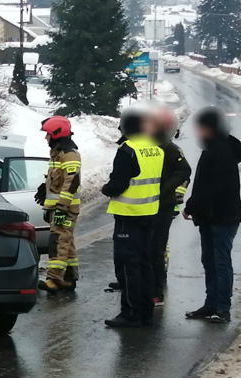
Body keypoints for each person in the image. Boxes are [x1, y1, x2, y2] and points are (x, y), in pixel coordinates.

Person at [101, 105, 164, 328]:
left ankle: (130, 313)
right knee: (145, 265)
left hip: (129, 216)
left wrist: (106, 189)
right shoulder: (156, 148)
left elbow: (119, 183)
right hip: (149, 214)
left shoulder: (128, 150)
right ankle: (146, 311)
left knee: (128, 267)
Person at [182, 106, 241, 323]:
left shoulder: (221, 151)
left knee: (221, 261)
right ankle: (211, 303)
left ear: (211, 128)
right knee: (209, 261)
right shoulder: (214, 148)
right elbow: (204, 186)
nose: (198, 132)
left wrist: (190, 206)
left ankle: (222, 307)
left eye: (201, 128)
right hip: (210, 216)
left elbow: (213, 188)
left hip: (223, 217)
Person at [150, 103, 191, 306]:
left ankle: (158, 287)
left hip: (165, 205)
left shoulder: (170, 148)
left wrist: (171, 194)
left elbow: (184, 174)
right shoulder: (149, 146)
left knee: (158, 248)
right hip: (150, 206)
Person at [35, 116, 81, 295]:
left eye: (48, 134)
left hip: (66, 208)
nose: (46, 138)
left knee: (58, 242)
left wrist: (61, 207)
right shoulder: (58, 153)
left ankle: (54, 280)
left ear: (57, 134)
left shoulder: (69, 154)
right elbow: (57, 180)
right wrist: (45, 192)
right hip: (58, 207)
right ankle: (68, 279)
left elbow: (72, 182)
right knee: (66, 242)